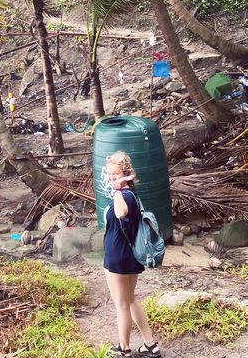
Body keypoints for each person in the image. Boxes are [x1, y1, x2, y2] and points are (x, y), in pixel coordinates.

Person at [103, 151, 161, 357]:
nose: (112, 178)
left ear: (125, 173)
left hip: (117, 256)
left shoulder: (125, 194)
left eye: (116, 173)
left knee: (121, 305)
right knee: (130, 299)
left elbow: (120, 213)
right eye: (109, 174)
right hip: (128, 254)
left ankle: (124, 348)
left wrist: (117, 188)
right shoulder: (132, 194)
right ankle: (150, 344)